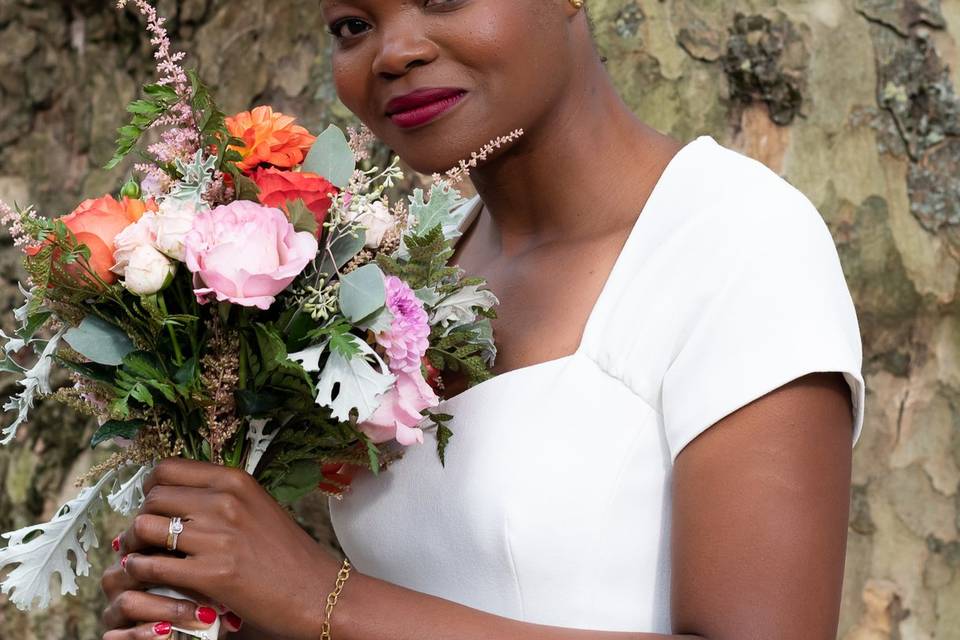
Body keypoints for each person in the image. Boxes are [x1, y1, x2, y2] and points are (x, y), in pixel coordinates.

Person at [100, 1, 866, 639]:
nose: (394, 52)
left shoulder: (735, 241)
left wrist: (318, 598)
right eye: (353, 25)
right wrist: (233, 605)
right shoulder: (395, 286)